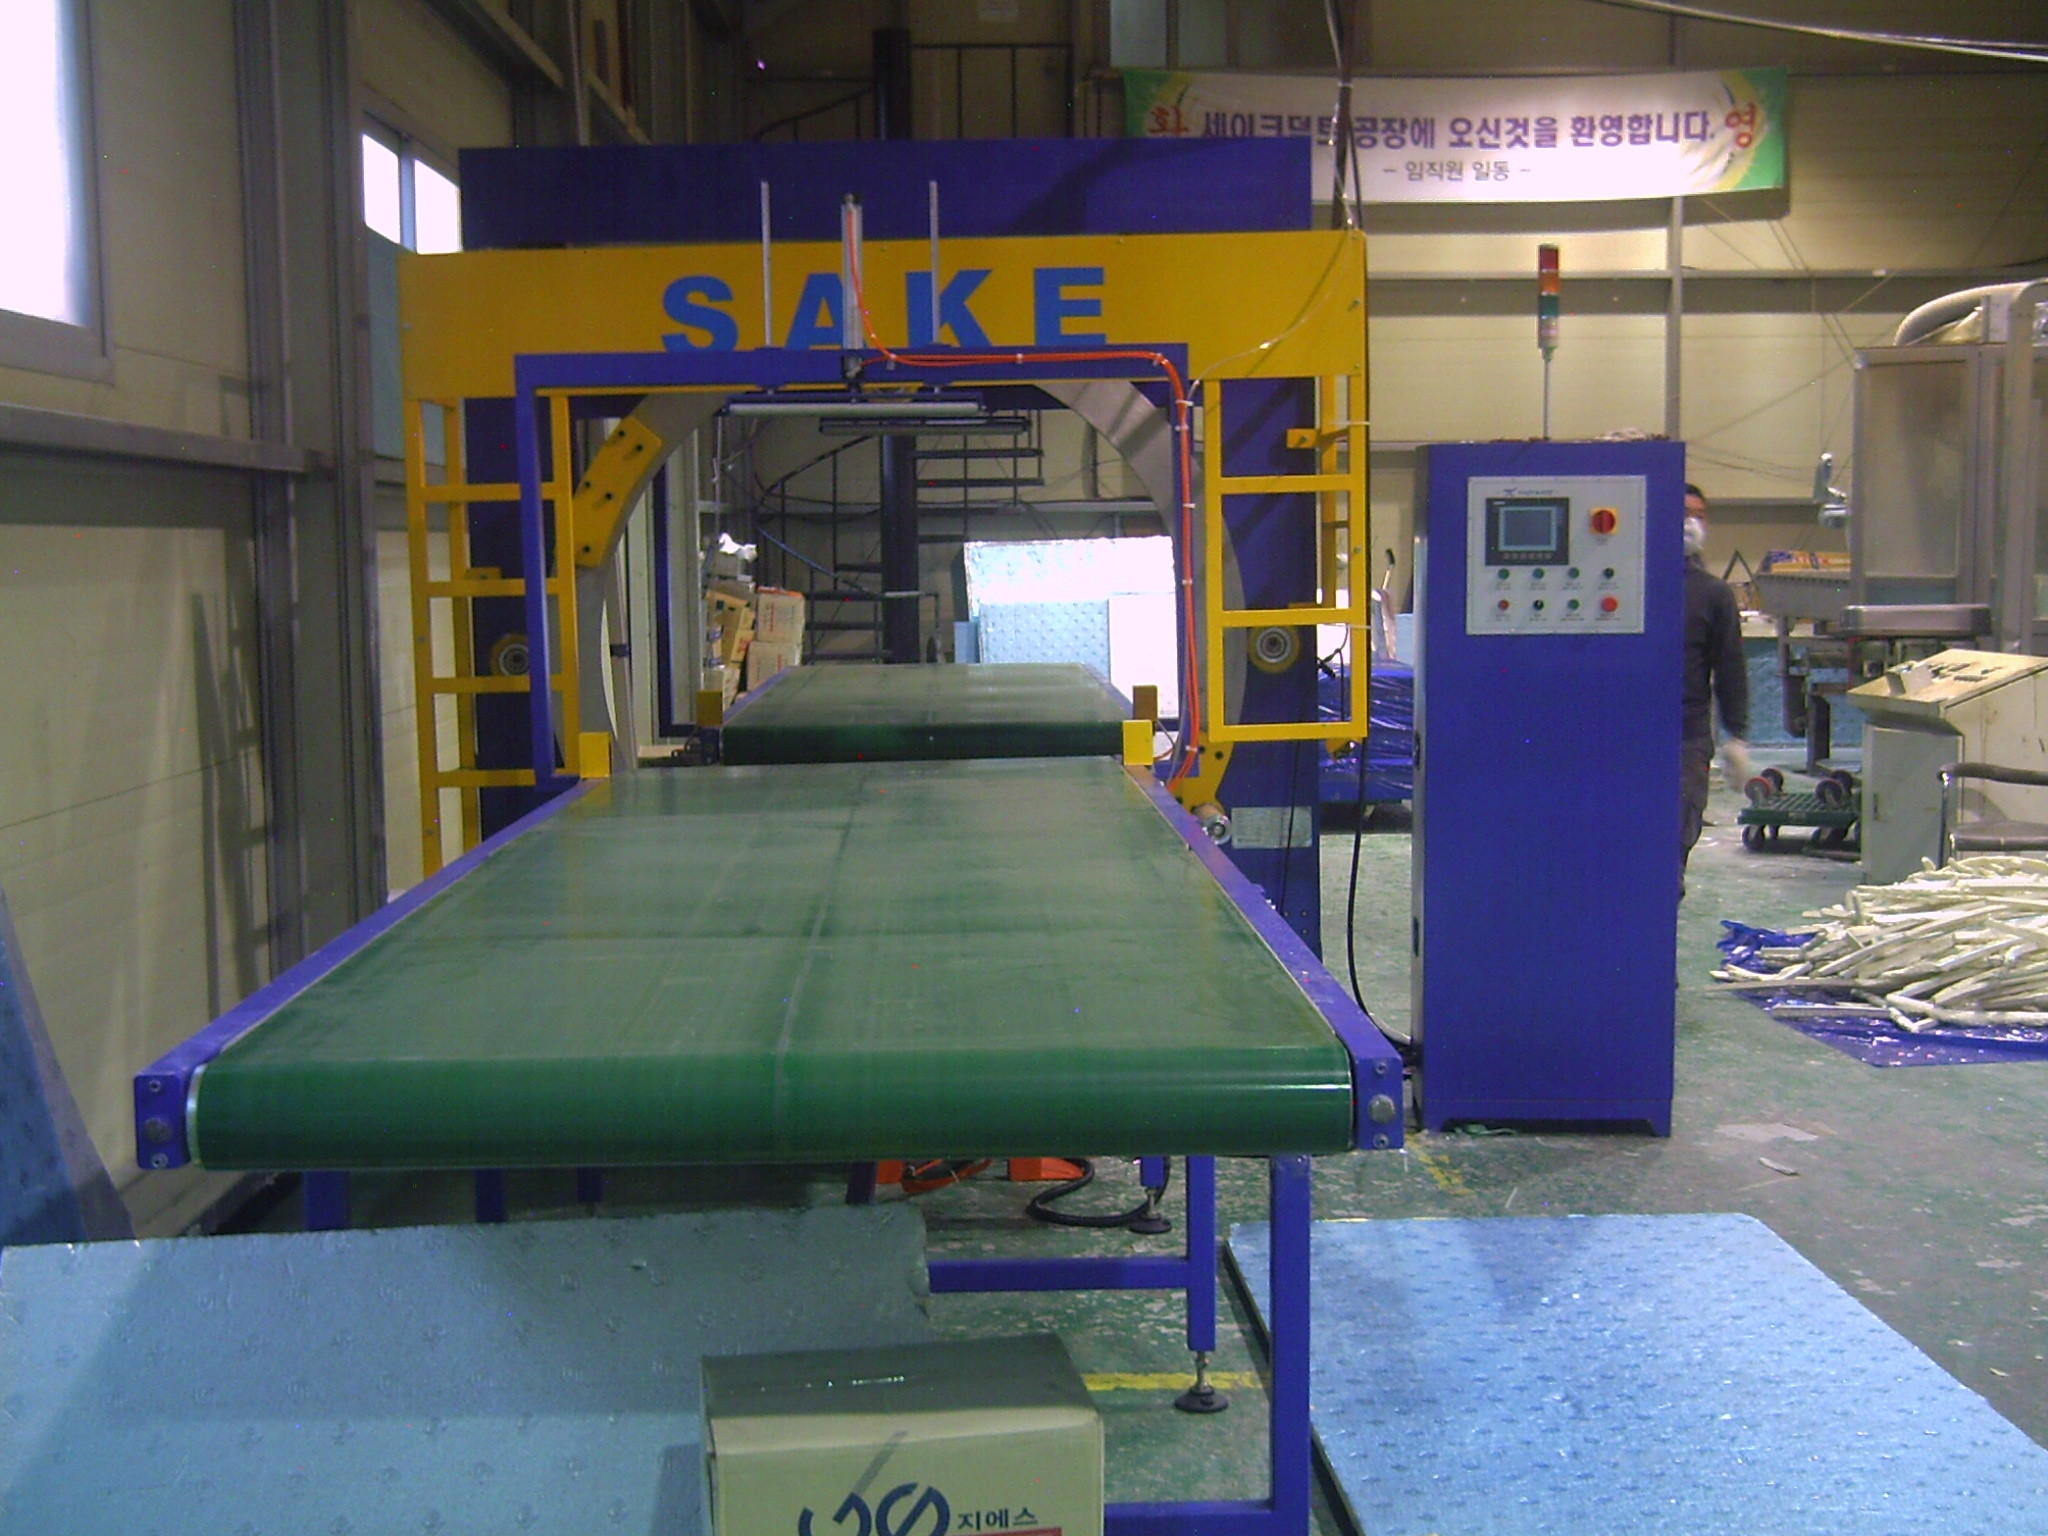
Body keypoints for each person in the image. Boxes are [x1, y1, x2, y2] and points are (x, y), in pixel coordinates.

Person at [1682, 483, 1751, 890]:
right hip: (1628, 737)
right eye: (1682, 512)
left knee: (1674, 842)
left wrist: (1736, 736)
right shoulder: (1630, 586)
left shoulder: (1712, 594)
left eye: (1699, 515)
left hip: (1685, 740)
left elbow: (1730, 668)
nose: (1691, 523)